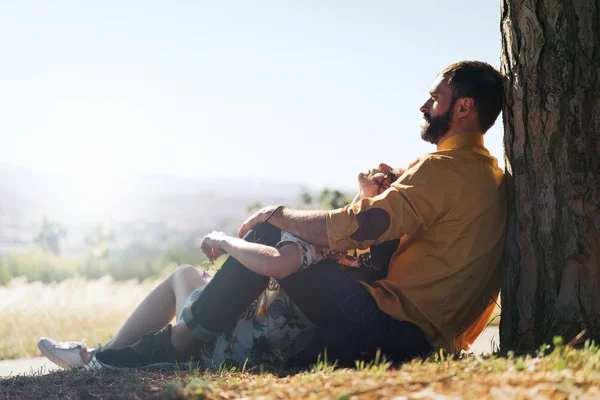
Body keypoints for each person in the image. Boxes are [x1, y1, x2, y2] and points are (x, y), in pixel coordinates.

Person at [69, 60, 508, 370]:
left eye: (436, 98)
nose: (425, 106)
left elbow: (357, 228)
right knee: (277, 240)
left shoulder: (444, 169)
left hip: (388, 333)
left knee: (268, 231)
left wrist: (277, 214)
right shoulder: (488, 173)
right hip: (421, 336)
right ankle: (151, 346)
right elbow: (390, 232)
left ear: (464, 107)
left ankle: (172, 344)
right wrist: (370, 196)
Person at [38, 171, 398, 370]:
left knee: (183, 276)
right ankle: (103, 353)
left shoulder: (322, 241)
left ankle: (99, 358)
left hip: (244, 342)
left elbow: (275, 261)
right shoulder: (357, 260)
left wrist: (224, 240)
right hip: (265, 328)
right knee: (189, 276)